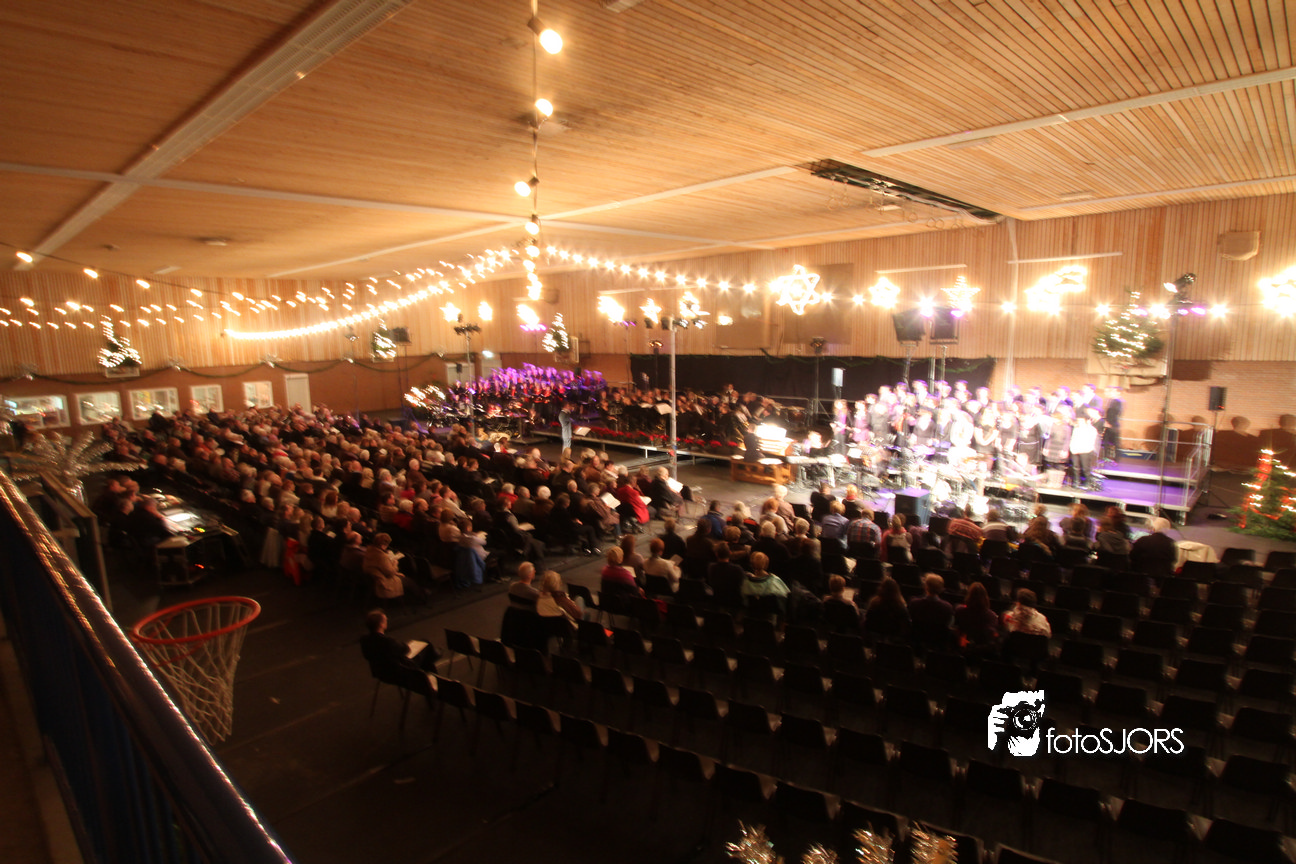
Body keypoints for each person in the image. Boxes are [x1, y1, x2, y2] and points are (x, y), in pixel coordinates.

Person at [359, 610, 437, 705]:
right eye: (385, 620)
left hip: (380, 672)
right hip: (398, 673)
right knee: (426, 647)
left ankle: (431, 684)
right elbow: (404, 649)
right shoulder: (387, 641)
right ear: (381, 625)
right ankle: (433, 683)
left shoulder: (365, 640)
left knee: (425, 655)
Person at [365, 532, 428, 603]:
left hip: (377, 579)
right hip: (385, 582)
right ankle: (423, 597)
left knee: (406, 579)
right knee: (409, 581)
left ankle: (421, 593)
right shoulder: (381, 556)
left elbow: (382, 569)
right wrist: (395, 563)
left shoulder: (369, 551)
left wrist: (395, 572)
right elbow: (390, 572)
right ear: (382, 545)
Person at [908, 573, 954, 652]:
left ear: (926, 587)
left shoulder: (914, 603)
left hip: (917, 642)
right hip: (937, 644)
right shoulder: (947, 607)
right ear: (941, 589)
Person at [954, 582, 999, 655]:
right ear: (985, 597)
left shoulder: (959, 610)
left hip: (961, 650)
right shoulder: (992, 616)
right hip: (981, 653)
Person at [739, 551, 789, 617]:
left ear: (752, 564)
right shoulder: (774, 581)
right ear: (766, 563)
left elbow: (744, 602)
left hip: (750, 617)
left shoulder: (746, 582)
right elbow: (783, 600)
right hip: (769, 617)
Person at [864, 576, 911, 643]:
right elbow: (904, 630)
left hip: (873, 640)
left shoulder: (874, 604)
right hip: (894, 642)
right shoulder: (901, 608)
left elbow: (867, 623)